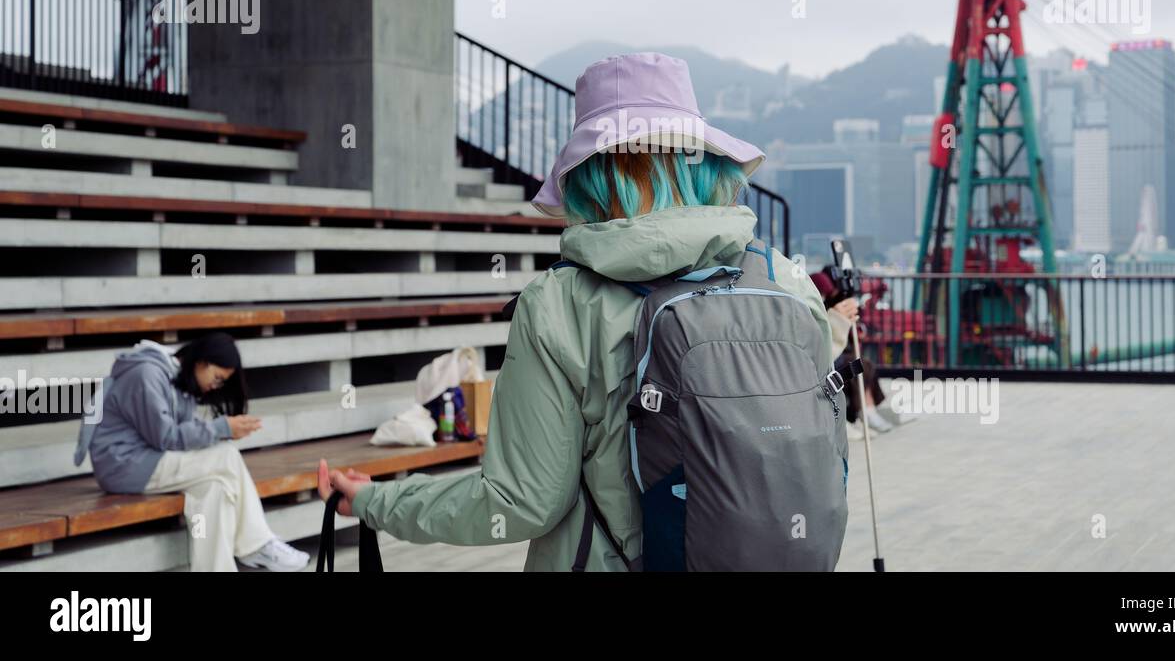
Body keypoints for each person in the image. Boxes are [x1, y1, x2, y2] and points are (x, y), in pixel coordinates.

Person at [319, 51, 836, 571]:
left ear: (589, 173)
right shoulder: (786, 279)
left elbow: (520, 503)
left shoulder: (558, 304)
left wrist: (375, 502)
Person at [78, 331, 309, 572]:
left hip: (147, 460)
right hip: (124, 465)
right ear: (202, 362)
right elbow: (165, 437)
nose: (215, 386)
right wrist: (221, 428)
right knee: (226, 455)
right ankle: (257, 544)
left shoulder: (179, 381)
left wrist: (220, 430)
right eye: (218, 378)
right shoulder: (147, 374)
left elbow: (182, 438)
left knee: (215, 488)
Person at [810, 267, 910, 437]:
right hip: (824, 362)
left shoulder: (825, 304)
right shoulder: (816, 306)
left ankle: (866, 411)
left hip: (832, 355)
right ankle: (864, 413)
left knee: (863, 365)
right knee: (856, 367)